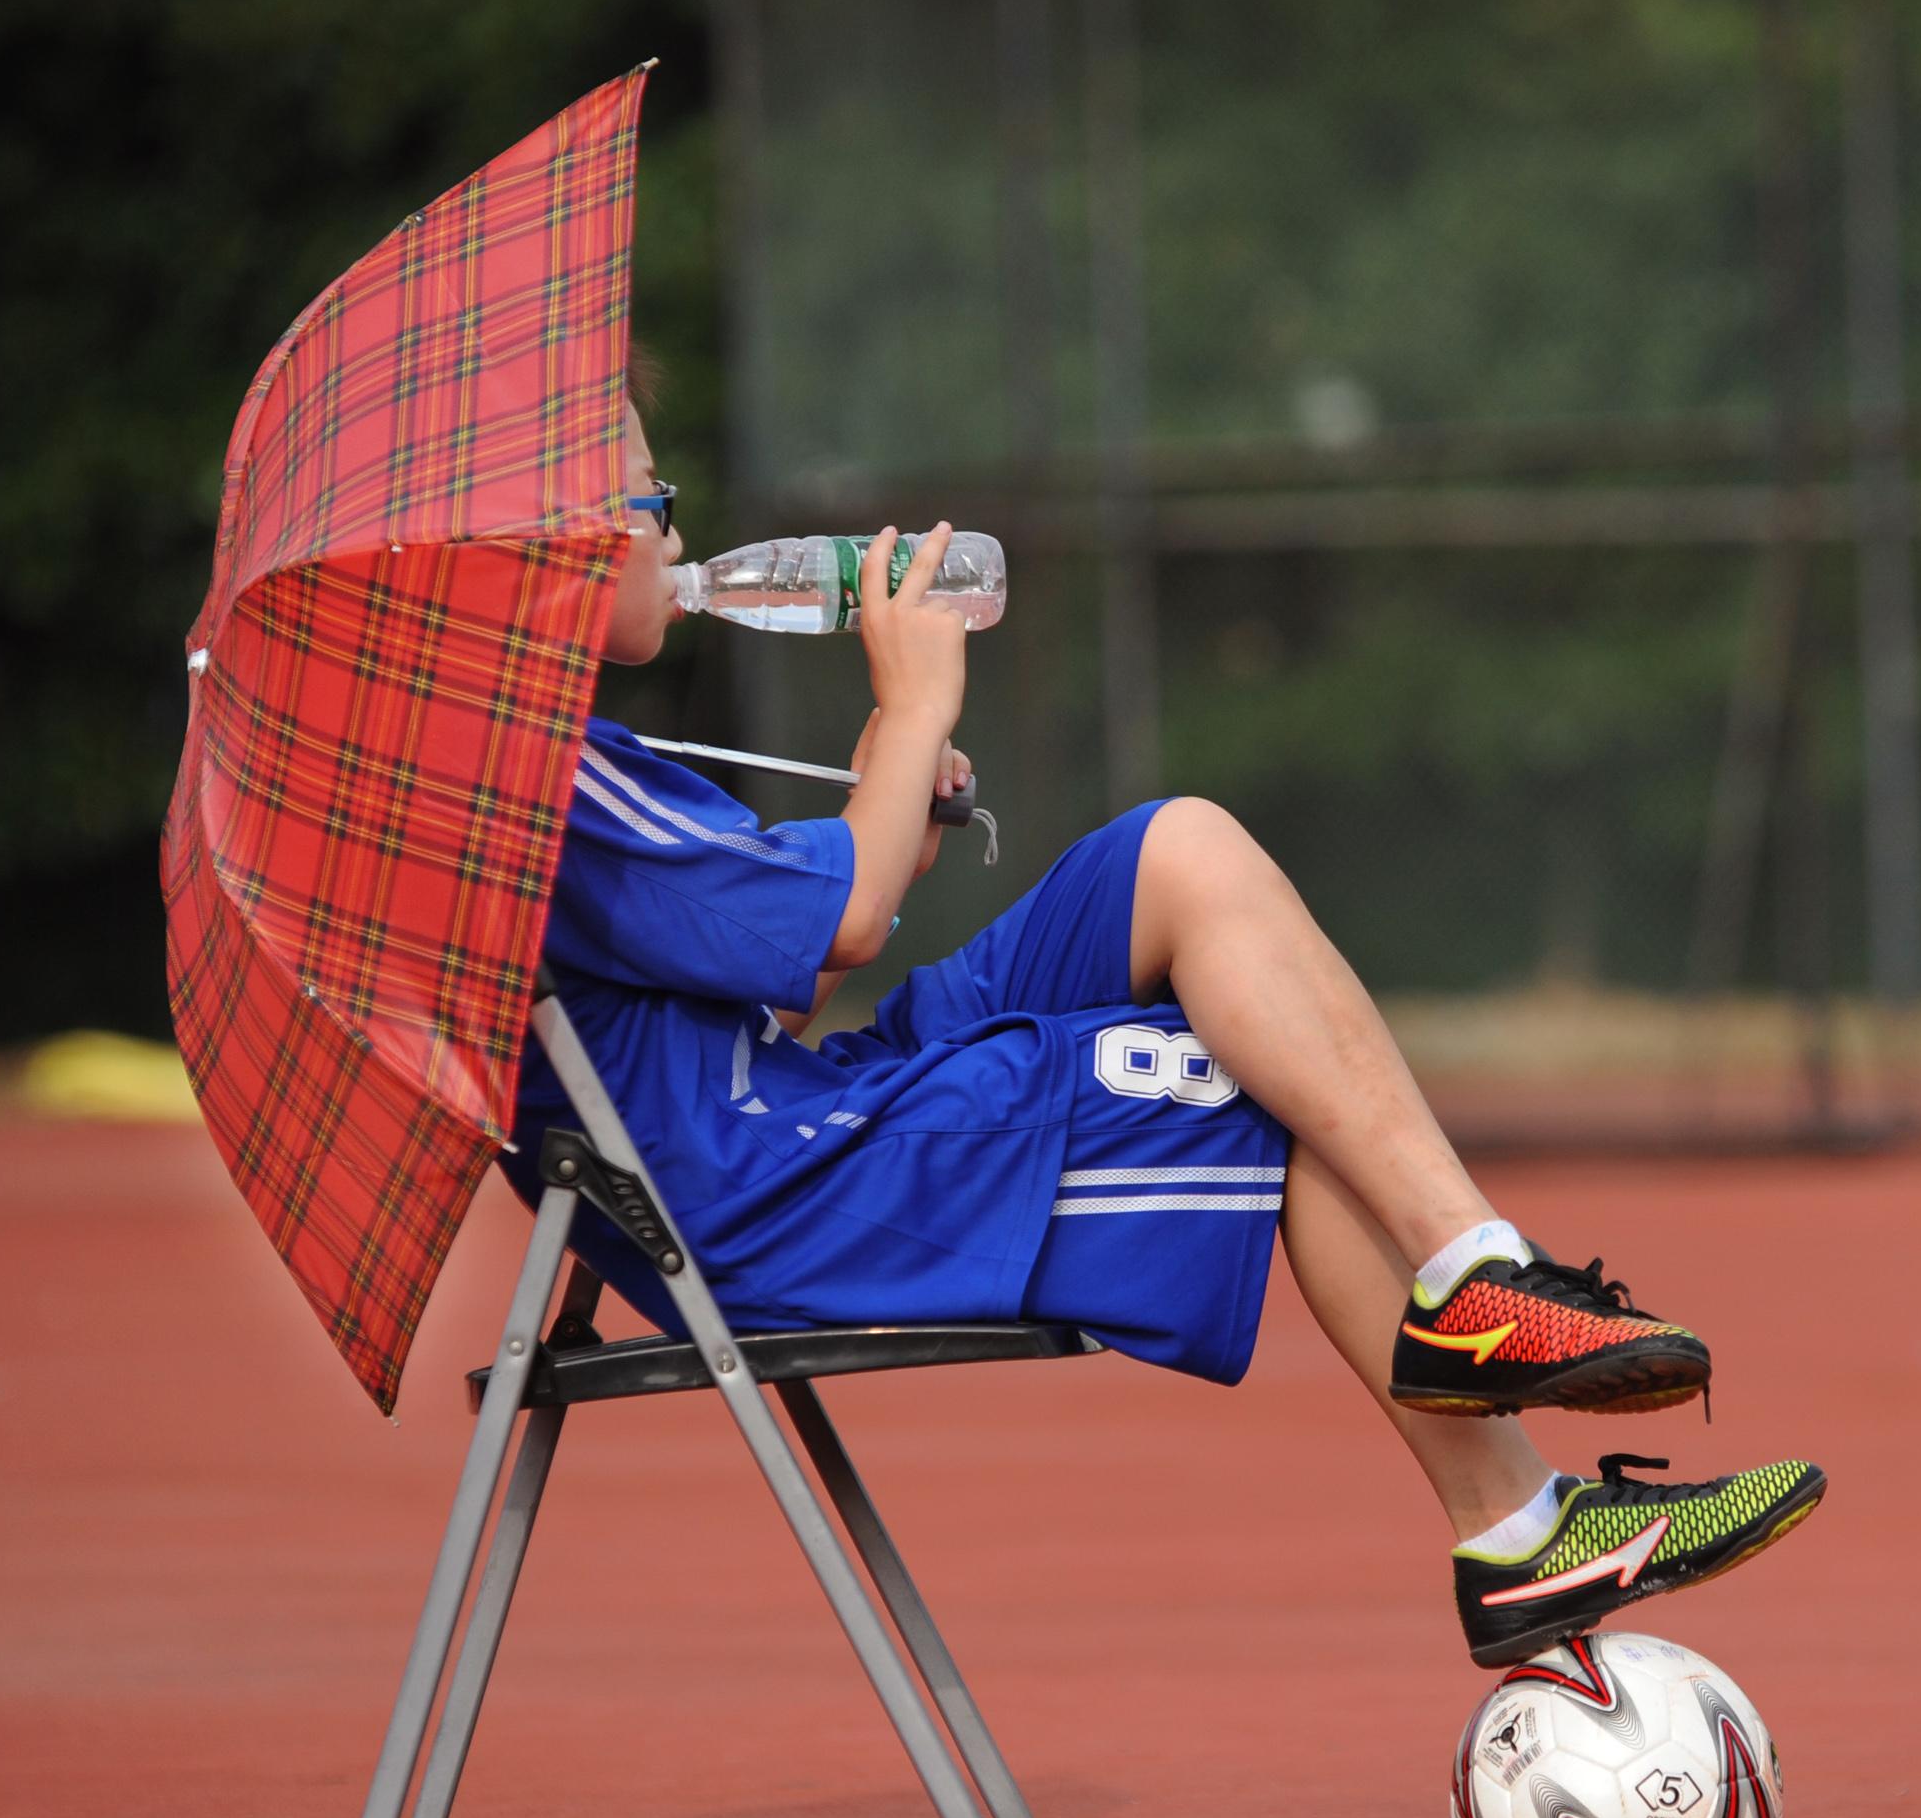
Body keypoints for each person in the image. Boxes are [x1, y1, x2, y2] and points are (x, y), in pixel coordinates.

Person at [505, 400, 1827, 1668]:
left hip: (796, 1108)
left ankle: (1476, 1263)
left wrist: (888, 775)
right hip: (788, 1186)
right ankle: (1518, 1528)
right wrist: (910, 711)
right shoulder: (539, 783)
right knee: (1264, 1092)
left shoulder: (579, 757)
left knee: (1176, 851)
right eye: (652, 500)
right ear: (560, 542)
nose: (679, 533)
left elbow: (776, 984)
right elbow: (842, 925)